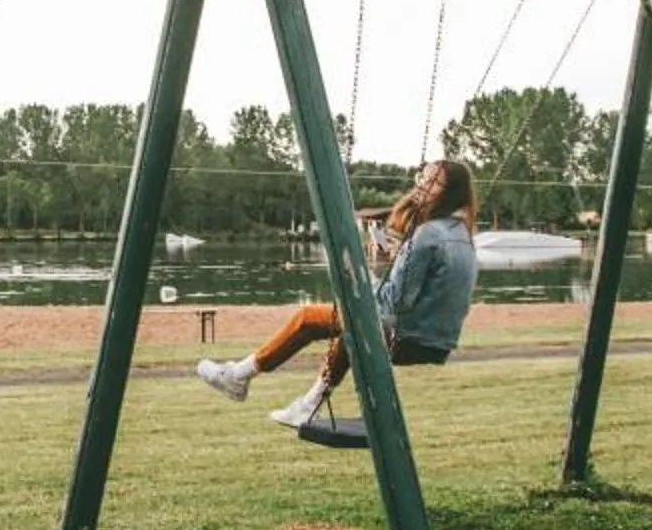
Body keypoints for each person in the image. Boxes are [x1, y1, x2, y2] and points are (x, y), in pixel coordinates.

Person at [196, 159, 479, 426]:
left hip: (405, 336)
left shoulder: (428, 234)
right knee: (350, 331)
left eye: (433, 182)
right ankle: (308, 404)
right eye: (422, 177)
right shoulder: (462, 234)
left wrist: (358, 275)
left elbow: (394, 304)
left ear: (450, 193)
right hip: (436, 342)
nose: (421, 186)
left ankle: (237, 376)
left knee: (309, 317)